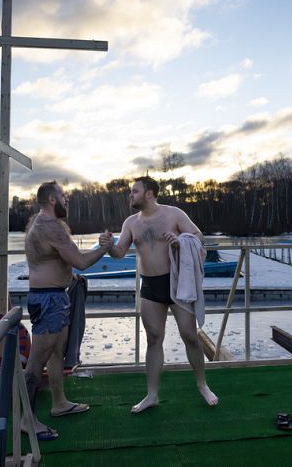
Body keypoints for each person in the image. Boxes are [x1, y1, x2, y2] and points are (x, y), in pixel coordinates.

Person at [106, 176, 218, 413]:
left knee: (189, 335)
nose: (131, 196)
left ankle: (202, 384)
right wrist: (107, 245)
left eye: (135, 191)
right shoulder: (130, 223)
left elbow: (199, 238)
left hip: (176, 282)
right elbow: (118, 252)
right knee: (154, 338)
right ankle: (152, 395)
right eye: (131, 192)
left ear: (149, 193)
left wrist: (180, 241)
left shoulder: (173, 214)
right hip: (150, 285)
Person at [22, 181, 112, 440]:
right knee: (37, 362)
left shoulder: (37, 223)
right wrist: (104, 248)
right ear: (52, 199)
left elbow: (65, 258)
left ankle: (59, 403)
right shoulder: (51, 227)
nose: (67, 200)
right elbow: (81, 262)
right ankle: (25, 420)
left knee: (56, 354)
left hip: (54, 297)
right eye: (63, 196)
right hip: (48, 300)